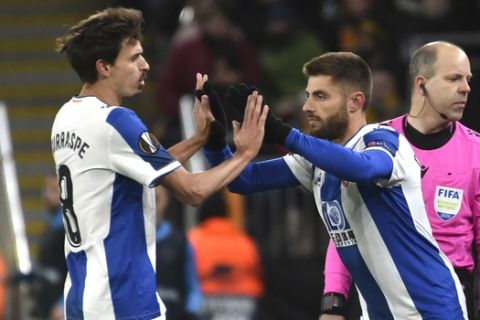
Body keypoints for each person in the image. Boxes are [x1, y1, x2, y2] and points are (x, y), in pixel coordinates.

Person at [199, 51, 468, 319]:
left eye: (321, 96)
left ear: (354, 102)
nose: (307, 107)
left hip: (431, 309)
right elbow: (244, 180)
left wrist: (284, 133)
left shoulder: (386, 140)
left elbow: (363, 168)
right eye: (308, 95)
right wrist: (215, 141)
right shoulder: (316, 159)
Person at [52, 7, 268, 319]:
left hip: (83, 297)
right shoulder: (117, 121)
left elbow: (138, 165)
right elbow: (191, 190)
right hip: (123, 298)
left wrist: (198, 139)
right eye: (134, 58)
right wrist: (244, 153)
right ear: (104, 67)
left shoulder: (67, 117)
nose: (145, 65)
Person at [322, 41, 480, 320]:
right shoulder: (372, 145)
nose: (466, 88)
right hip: (383, 295)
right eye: (454, 78)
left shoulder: (476, 152)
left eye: (467, 79)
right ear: (422, 85)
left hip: (447, 295)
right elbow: (345, 229)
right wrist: (333, 304)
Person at [188, 190, 264, 320]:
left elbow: (188, 275)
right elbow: (256, 273)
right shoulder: (245, 242)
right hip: (243, 301)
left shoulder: (193, 239)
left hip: (206, 299)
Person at [155, 186, 201, 320]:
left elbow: (193, 288)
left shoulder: (180, 242)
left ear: (166, 200)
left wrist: (191, 312)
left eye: (156, 200)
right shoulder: (129, 240)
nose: (151, 207)